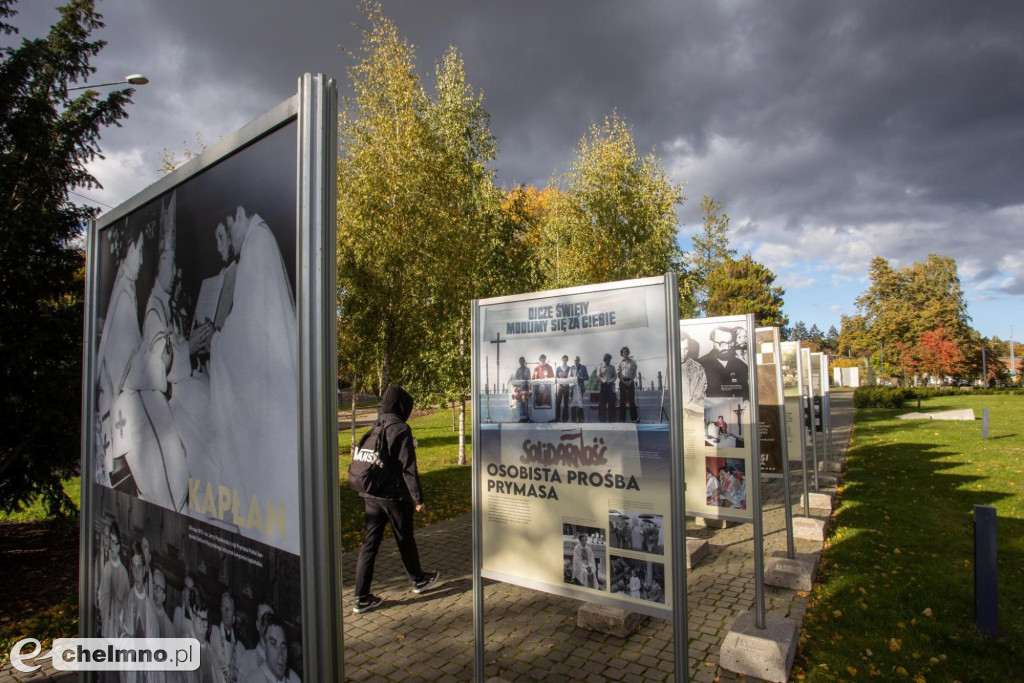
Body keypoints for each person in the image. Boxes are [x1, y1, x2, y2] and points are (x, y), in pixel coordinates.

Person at [207, 206, 299, 553]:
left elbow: (243, 338)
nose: (225, 244)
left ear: (238, 214)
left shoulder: (256, 247)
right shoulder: (262, 242)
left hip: (268, 396)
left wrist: (216, 339)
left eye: (224, 233)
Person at [352, 386, 440, 614]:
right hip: (394, 497)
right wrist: (417, 498)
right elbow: (408, 467)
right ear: (402, 406)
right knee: (404, 538)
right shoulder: (401, 429)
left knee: (369, 546)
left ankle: (361, 598)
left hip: (371, 495)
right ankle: (419, 580)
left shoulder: (377, 425)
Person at [96, 232, 144, 484]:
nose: (143, 259)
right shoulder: (125, 292)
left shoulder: (126, 285)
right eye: (141, 251)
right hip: (118, 394)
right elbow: (129, 351)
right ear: (130, 250)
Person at [97, 521, 130, 640]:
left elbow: (126, 601)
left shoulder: (123, 572)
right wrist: (104, 611)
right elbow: (101, 593)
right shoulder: (107, 567)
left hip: (117, 623)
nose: (112, 546)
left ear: (118, 547)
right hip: (106, 619)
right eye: (110, 541)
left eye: (114, 543)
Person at [244, 614, 299, 683]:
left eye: (283, 647)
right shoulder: (253, 680)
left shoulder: (294, 679)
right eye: (273, 644)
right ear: (264, 645)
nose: (281, 655)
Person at [699, 327, 749, 398]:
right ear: (712, 343)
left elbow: (745, 393)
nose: (727, 347)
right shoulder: (700, 364)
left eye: (730, 342)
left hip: (736, 408)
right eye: (722, 343)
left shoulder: (741, 365)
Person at [210, 592, 240, 683]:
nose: (225, 611)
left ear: (234, 617)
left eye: (228, 609)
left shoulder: (239, 645)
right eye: (223, 608)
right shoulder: (215, 633)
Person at [680, 333, 707, 417]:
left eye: (686, 349)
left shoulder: (698, 369)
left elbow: (699, 396)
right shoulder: (666, 367)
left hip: (691, 416)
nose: (683, 353)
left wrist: (688, 411)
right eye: (679, 349)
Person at [617, 347, 638, 422]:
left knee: (631, 400)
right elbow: (619, 373)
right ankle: (622, 419)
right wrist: (623, 381)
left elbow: (634, 373)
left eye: (626, 352)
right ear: (622, 354)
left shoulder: (632, 362)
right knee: (622, 401)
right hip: (622, 381)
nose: (625, 353)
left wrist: (631, 381)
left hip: (630, 381)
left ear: (628, 352)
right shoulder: (620, 363)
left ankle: (634, 418)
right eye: (623, 352)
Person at [509, 357, 531, 422]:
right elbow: (516, 379)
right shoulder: (518, 370)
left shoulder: (528, 370)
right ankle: (522, 417)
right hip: (520, 389)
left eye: (523, 361)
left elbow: (529, 378)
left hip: (526, 388)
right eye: (520, 361)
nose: (522, 362)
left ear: (524, 361)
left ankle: (527, 417)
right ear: (519, 362)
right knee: (521, 403)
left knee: (526, 403)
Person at [596, 353, 617, 422]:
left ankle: (612, 419)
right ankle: (602, 419)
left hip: (610, 386)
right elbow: (598, 376)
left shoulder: (612, 367)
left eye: (609, 360)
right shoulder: (600, 367)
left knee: (611, 403)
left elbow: (615, 376)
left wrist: (611, 381)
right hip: (603, 386)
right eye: (607, 360)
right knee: (602, 403)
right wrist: (604, 381)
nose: (608, 361)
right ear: (604, 360)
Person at [569, 356, 589, 422]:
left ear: (579, 360)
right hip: (573, 388)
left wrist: (580, 378)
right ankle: (573, 418)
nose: (575, 361)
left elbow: (587, 377)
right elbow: (569, 377)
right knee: (573, 403)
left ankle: (580, 418)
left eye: (577, 360)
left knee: (580, 403)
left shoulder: (583, 367)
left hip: (580, 388)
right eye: (574, 360)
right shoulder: (571, 368)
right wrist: (574, 378)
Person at [554, 355, 572, 422]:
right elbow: (556, 377)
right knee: (558, 402)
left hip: (566, 387)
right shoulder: (558, 368)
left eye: (566, 360)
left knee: (566, 403)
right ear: (562, 360)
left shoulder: (569, 368)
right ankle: (558, 418)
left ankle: (565, 418)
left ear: (567, 360)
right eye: (563, 360)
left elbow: (570, 378)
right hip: (560, 387)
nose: (564, 361)